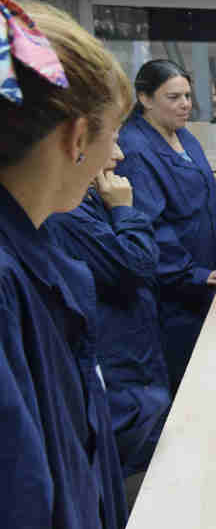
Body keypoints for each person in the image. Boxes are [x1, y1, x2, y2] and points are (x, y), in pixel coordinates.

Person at [0, 0, 130, 529]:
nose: (116, 154)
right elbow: (23, 509)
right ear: (77, 138)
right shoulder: (7, 284)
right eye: (115, 133)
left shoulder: (40, 248)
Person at [45, 141, 170, 504]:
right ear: (77, 144)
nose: (119, 154)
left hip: (139, 365)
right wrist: (125, 211)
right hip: (121, 379)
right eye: (110, 141)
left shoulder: (93, 195)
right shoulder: (66, 213)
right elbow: (135, 265)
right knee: (135, 487)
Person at [117, 59, 216, 394]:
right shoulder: (135, 150)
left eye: (187, 95)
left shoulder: (184, 136)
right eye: (173, 97)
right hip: (175, 294)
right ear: (145, 98)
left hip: (207, 273)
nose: (185, 104)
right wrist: (191, 274)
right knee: (188, 383)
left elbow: (208, 201)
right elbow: (151, 226)